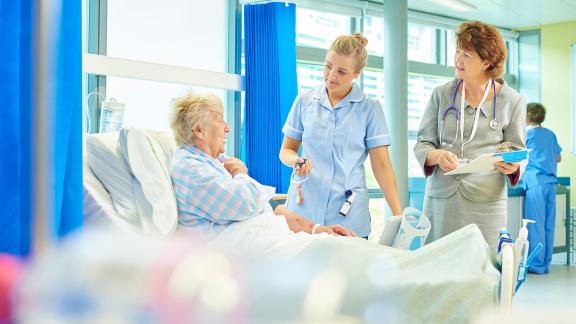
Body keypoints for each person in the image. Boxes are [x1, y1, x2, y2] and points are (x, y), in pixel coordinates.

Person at [169, 92, 356, 239]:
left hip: (280, 238)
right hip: (264, 249)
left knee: (348, 249)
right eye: (220, 120)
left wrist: (318, 230)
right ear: (199, 130)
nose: (228, 128)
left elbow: (268, 209)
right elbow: (247, 203)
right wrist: (240, 174)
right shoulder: (190, 169)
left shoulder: (215, 164)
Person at [414, 21, 527, 249]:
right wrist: (436, 155)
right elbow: (422, 143)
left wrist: (513, 166)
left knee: (481, 269)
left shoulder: (512, 101)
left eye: (466, 54)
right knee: (438, 266)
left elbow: (517, 151)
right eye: (457, 51)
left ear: (486, 61)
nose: (457, 59)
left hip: (486, 203)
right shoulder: (442, 95)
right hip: (442, 200)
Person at [279, 33, 402, 239]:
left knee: (347, 270)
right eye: (328, 66)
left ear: (357, 73)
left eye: (342, 71)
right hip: (304, 213)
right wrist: (296, 162)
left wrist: (398, 214)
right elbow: (286, 150)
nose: (331, 76)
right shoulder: (304, 101)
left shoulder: (369, 108)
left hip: (347, 216)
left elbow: (381, 165)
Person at [522, 103, 562, 274]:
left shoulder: (528, 134)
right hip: (551, 183)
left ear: (527, 116)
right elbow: (558, 158)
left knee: (535, 224)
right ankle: (545, 263)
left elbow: (520, 156)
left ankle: (536, 265)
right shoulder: (550, 134)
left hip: (535, 183)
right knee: (548, 225)